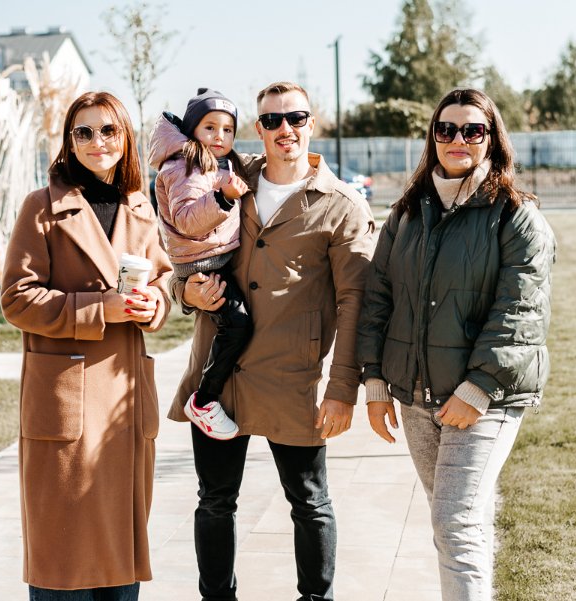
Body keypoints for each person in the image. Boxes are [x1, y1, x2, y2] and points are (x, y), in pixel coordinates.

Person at [169, 81, 376, 601]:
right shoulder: (225, 180)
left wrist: (342, 389)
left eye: (296, 118)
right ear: (258, 128)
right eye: (272, 120)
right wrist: (185, 291)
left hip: (293, 377)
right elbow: (182, 250)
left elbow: (356, 302)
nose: (285, 129)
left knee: (309, 502)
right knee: (214, 501)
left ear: (311, 124)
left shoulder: (343, 204)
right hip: (218, 377)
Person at [356, 88, 556, 601]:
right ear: (433, 138)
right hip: (417, 399)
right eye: (446, 129)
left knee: (454, 523)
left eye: (473, 130)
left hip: (483, 400)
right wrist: (375, 382)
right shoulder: (407, 214)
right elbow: (378, 299)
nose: (458, 139)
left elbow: (521, 312)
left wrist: (479, 388)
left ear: (493, 139)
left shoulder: (516, 216)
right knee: (463, 521)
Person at [0, 91, 172, 601]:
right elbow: (17, 299)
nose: (98, 141)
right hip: (67, 406)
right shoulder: (42, 208)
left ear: (125, 138)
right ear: (69, 142)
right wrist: (100, 310)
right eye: (84, 132)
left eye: (109, 130)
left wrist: (155, 303)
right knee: (64, 560)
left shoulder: (140, 207)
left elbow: (162, 279)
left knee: (119, 565)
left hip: (124, 403)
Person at [149, 88, 252, 440]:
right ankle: (205, 399)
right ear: (192, 130)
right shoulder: (185, 166)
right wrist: (224, 197)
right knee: (236, 324)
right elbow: (187, 220)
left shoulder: (215, 162)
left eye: (228, 129)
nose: (220, 136)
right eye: (210, 128)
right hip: (201, 264)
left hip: (211, 257)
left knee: (235, 323)